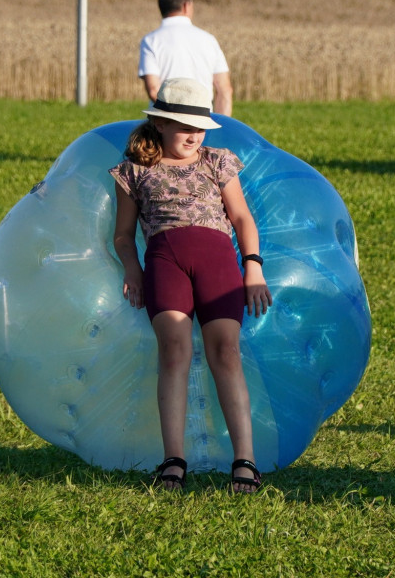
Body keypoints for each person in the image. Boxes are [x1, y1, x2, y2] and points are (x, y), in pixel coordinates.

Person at [110, 77, 271, 494]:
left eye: (199, 126)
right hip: (166, 264)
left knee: (226, 352)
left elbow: (242, 219)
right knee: (175, 352)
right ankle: (173, 461)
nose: (194, 135)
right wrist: (132, 269)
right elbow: (123, 235)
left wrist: (253, 267)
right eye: (184, 126)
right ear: (160, 123)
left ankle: (245, 461)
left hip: (219, 264)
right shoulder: (133, 170)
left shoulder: (217, 160)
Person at [138, 0, 234, 117]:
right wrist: (221, 127)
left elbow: (154, 89)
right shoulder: (209, 40)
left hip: (164, 124)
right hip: (202, 121)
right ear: (186, 6)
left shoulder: (151, 40)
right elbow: (224, 90)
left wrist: (177, 118)